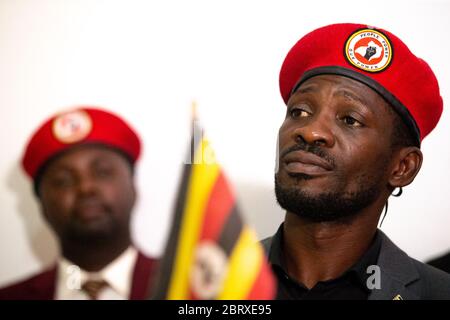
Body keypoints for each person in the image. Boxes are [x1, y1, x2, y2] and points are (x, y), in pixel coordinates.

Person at [262, 23, 450, 300]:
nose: (310, 131)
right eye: (299, 111)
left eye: (350, 119)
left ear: (402, 167)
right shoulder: (205, 285)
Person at [0, 107, 158, 300]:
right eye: (62, 181)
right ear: (41, 203)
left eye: (102, 172)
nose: (85, 188)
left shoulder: (192, 291)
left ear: (133, 187)